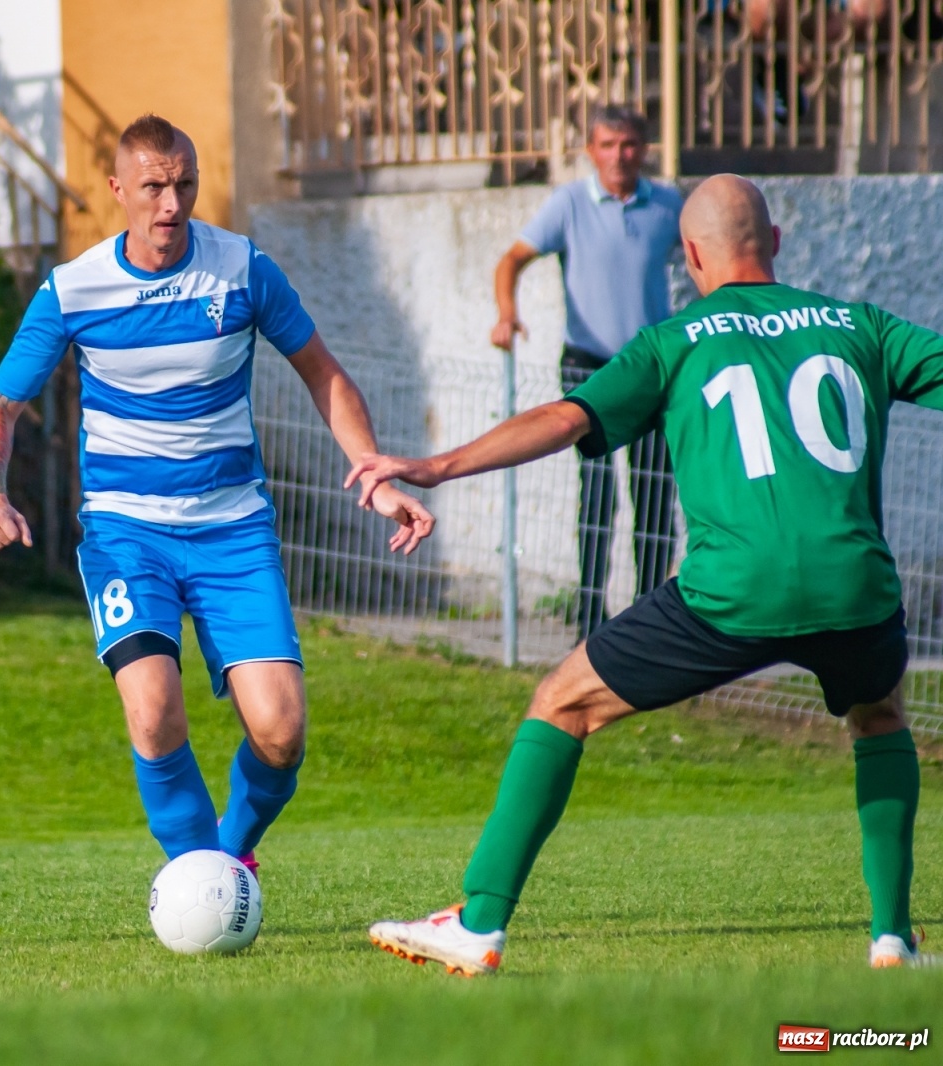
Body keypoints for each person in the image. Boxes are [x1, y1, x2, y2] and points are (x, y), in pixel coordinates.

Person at [353, 175, 937, 974]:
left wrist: (439, 464)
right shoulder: (858, 323)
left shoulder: (677, 340)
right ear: (776, 243)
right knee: (879, 716)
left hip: (732, 591)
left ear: (689, 255)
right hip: (856, 586)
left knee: (561, 702)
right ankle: (892, 939)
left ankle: (480, 921)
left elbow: (566, 418)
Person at [0, 115, 431, 879]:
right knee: (152, 710)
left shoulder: (243, 270)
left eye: (183, 183)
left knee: (281, 732)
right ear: (119, 190)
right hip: (127, 534)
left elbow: (323, 371)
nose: (171, 202)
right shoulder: (74, 290)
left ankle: (229, 851)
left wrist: (373, 473)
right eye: (153, 186)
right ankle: (198, 879)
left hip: (232, 532)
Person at [493, 107, 683, 638]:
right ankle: (589, 617)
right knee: (597, 494)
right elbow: (511, 260)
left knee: (653, 495)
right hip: (588, 368)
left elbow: (705, 257)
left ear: (643, 149)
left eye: (628, 145)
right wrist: (507, 313)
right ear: (590, 150)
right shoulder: (569, 204)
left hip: (650, 369)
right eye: (607, 145)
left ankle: (651, 616)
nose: (618, 155)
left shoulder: (668, 204)